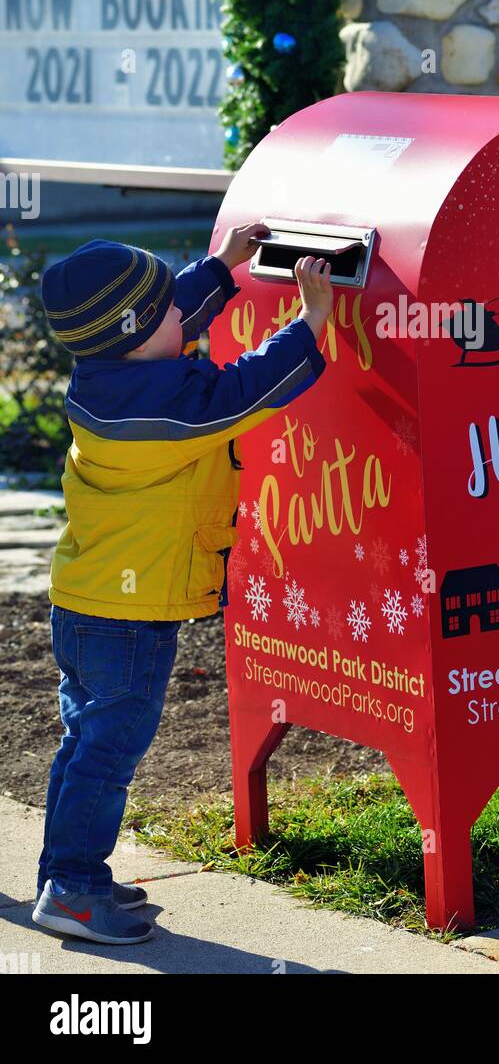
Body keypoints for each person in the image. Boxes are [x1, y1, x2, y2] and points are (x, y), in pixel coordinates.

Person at [32, 224, 332, 945]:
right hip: (127, 616)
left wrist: (221, 268)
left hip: (89, 604)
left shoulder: (112, 374)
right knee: (108, 753)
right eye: (171, 307)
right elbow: (247, 387)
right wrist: (311, 321)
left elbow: (163, 321)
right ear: (138, 332)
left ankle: (68, 874)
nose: (184, 315)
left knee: (85, 744)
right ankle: (72, 888)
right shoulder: (161, 411)